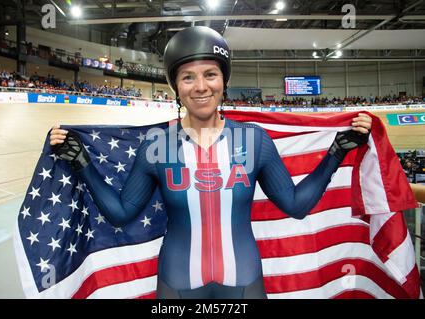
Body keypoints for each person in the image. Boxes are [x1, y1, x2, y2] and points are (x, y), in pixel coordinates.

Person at [49, 26, 372, 299]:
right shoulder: (156, 145)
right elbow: (121, 214)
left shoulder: (254, 141)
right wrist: (82, 163)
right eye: (188, 77)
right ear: (176, 86)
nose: (201, 86)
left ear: (224, 81)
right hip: (178, 282)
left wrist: (335, 154)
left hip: (243, 281)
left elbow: (295, 205)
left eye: (210, 74)